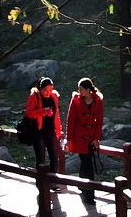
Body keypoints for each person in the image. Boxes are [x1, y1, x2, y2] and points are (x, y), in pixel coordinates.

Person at [65, 77, 103, 205]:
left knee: (85, 162)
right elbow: (70, 121)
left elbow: (99, 121)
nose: (79, 91)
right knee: (87, 163)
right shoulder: (75, 100)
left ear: (88, 90)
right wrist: (68, 139)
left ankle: (82, 186)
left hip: (91, 137)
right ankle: (89, 195)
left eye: (81, 89)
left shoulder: (97, 101)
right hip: (79, 137)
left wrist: (97, 138)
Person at [25, 76, 63, 190]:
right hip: (38, 131)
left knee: (54, 156)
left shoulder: (54, 97)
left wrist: (59, 130)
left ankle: (53, 182)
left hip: (51, 131)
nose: (47, 93)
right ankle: (41, 183)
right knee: (41, 158)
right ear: (40, 89)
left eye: (50, 90)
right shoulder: (34, 96)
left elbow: (57, 115)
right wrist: (43, 112)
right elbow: (29, 113)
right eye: (45, 90)